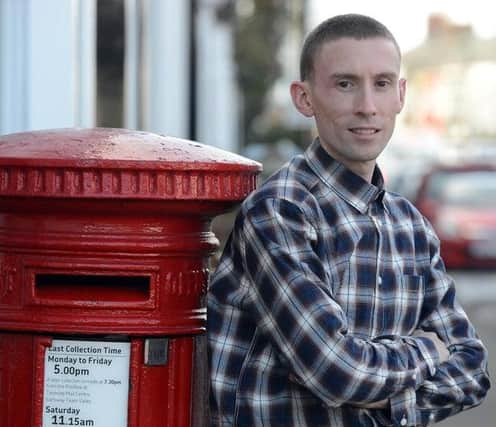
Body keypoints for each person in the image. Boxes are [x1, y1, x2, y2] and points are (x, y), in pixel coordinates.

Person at [207, 13, 490, 427]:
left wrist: (388, 399)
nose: (367, 107)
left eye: (382, 83)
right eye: (345, 84)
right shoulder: (281, 212)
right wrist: (427, 350)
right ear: (305, 99)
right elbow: (337, 372)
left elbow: (472, 371)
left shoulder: (409, 225)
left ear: (401, 95)